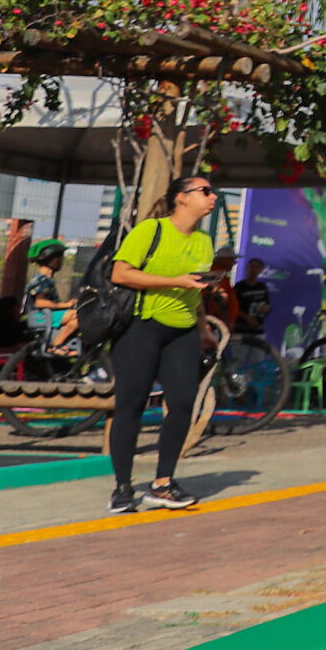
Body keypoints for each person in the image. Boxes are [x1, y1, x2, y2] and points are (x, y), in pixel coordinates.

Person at [107, 176, 226, 512]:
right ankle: (122, 488)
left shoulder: (204, 241)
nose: (213, 196)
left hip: (184, 330)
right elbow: (120, 273)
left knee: (184, 403)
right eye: (206, 190)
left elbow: (195, 287)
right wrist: (173, 281)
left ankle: (162, 484)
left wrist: (203, 327)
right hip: (141, 327)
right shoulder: (151, 230)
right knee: (130, 406)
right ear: (182, 198)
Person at [25, 239, 78, 356]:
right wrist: (65, 305)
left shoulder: (46, 279)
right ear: (50, 258)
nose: (61, 261)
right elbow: (40, 303)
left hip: (46, 315)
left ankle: (63, 342)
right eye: (60, 257)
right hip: (42, 316)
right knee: (77, 316)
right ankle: (57, 345)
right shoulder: (42, 279)